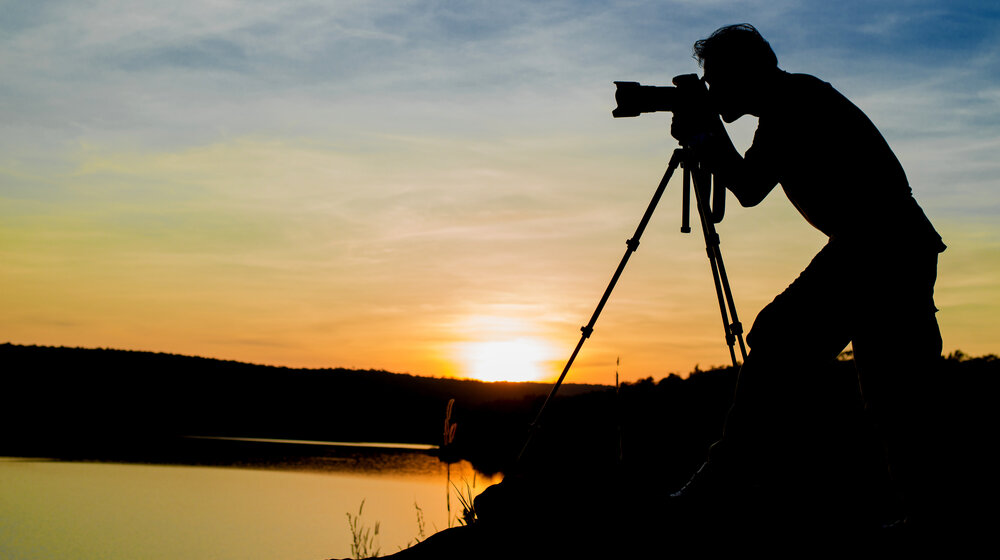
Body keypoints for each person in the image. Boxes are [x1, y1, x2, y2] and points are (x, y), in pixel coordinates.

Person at [667, 23, 949, 534]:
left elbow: (748, 187)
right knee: (894, 388)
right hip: (885, 246)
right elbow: (750, 182)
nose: (711, 91)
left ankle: (723, 482)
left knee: (805, 351)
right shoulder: (791, 99)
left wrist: (705, 131)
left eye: (715, 80)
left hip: (877, 245)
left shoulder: (792, 101)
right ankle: (924, 510)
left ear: (743, 72)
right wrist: (707, 129)